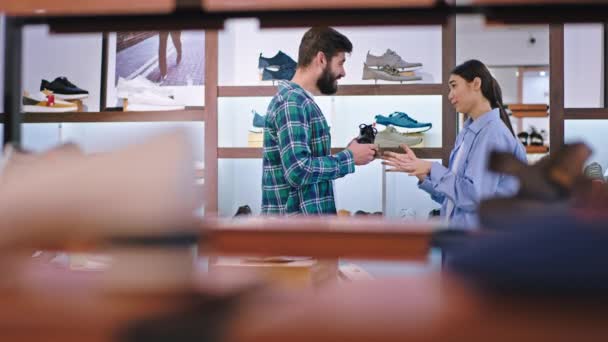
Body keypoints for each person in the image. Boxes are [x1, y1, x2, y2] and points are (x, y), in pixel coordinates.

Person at [382, 59, 526, 228]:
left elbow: (474, 199)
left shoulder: (493, 134)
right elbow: (454, 197)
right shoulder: (467, 133)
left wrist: (431, 168)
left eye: (454, 86)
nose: (450, 95)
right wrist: (423, 175)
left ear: (476, 84)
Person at [261, 27, 377, 216]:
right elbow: (298, 170)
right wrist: (349, 158)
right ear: (322, 59)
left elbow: (304, 164)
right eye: (341, 63)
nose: (343, 72)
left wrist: (349, 152)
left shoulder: (299, 101)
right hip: (296, 237)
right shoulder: (292, 102)